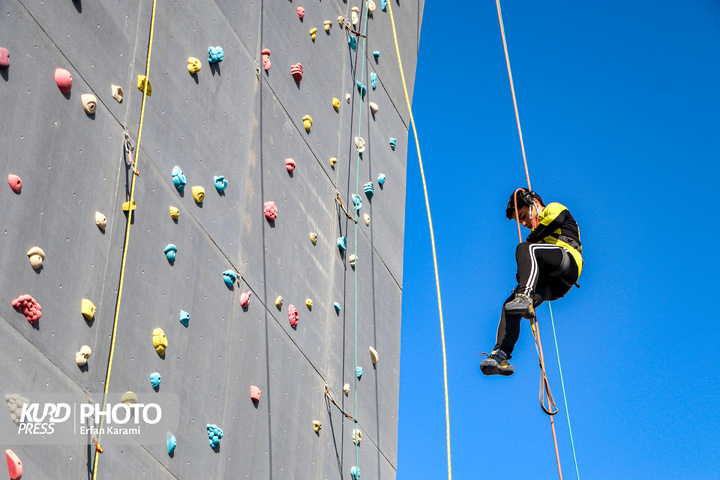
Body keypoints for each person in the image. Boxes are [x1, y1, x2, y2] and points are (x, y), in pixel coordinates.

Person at [480, 188, 583, 376]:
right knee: (510, 305)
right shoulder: (536, 240)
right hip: (553, 285)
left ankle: (525, 296)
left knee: (526, 249)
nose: (526, 223)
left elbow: (556, 221)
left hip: (567, 261)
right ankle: (500, 355)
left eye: (523, 216)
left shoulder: (554, 208)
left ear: (533, 201)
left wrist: (530, 240)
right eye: (521, 221)